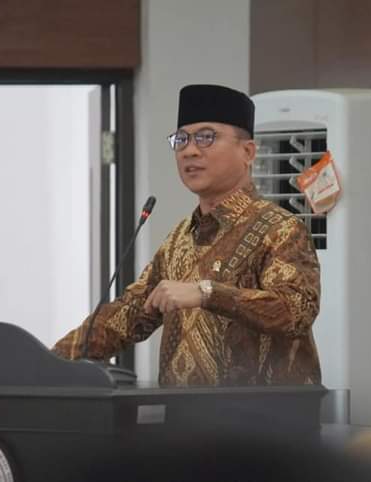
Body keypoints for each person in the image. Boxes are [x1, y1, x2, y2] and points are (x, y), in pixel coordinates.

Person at [53, 84, 321, 386]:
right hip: (183, 412)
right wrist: (45, 363)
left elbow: (295, 311)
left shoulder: (281, 229)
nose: (189, 150)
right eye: (181, 139)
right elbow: (126, 316)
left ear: (247, 152)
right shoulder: (179, 238)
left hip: (267, 413)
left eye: (206, 137)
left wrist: (207, 294)